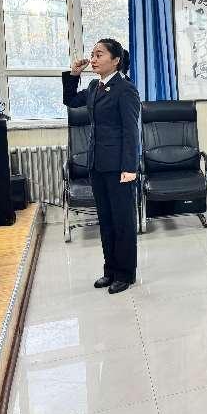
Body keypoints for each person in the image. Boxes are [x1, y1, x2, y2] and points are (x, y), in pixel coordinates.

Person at [62, 39, 140, 295]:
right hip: (97, 164)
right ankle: (110, 270)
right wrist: (74, 75)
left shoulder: (125, 89)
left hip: (119, 167)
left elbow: (131, 131)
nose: (93, 59)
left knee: (122, 222)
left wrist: (130, 167)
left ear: (115, 60)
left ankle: (125, 274)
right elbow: (71, 101)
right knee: (105, 221)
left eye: (99, 55)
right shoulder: (94, 86)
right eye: (93, 55)